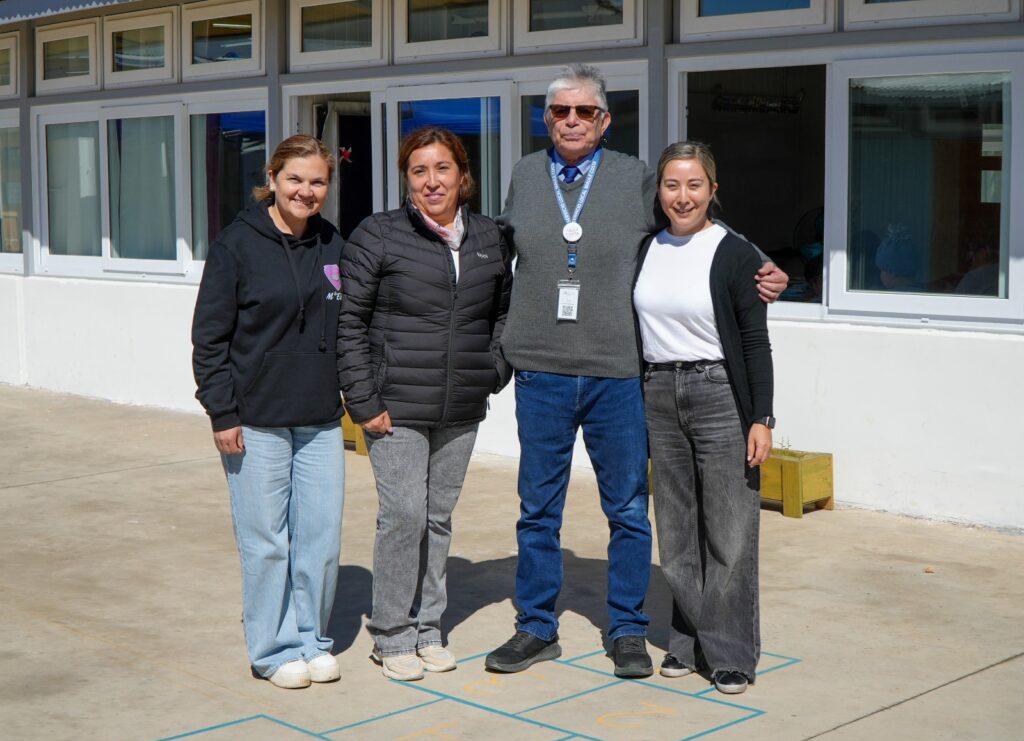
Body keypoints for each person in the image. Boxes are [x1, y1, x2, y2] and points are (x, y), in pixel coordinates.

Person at [485, 64, 788, 678]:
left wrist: (760, 261)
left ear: (605, 121)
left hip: (618, 374)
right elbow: (499, 253)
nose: (572, 121)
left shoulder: (634, 177)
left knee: (626, 509)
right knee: (537, 510)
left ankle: (626, 627)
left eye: (585, 111)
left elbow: (693, 219)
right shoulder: (524, 174)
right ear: (547, 118)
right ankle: (536, 626)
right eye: (561, 111)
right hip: (541, 372)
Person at [338, 126, 512, 682]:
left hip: (461, 405)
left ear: (463, 176)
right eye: (419, 171)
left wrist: (492, 371)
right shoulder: (379, 234)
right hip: (394, 405)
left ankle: (428, 627)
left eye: (442, 169)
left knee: (438, 517)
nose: (432, 181)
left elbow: (503, 312)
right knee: (403, 516)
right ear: (406, 179)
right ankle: (391, 633)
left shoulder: (489, 236)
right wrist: (363, 399)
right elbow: (350, 322)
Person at [192, 135, 346, 689]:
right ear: (273, 179)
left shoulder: (333, 243)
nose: (306, 191)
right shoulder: (236, 245)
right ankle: (273, 649)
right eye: (295, 179)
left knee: (321, 539)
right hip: (255, 419)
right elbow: (209, 338)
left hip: (320, 417)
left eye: (318, 181)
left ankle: (312, 639)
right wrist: (222, 412)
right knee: (267, 541)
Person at [634, 141, 773, 695]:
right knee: (676, 531)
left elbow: (755, 342)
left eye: (694, 184)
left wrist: (761, 417)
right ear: (659, 191)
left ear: (713, 190)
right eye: (672, 184)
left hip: (719, 395)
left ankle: (731, 653)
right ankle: (689, 640)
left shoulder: (734, 253)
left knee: (730, 531)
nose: (683, 196)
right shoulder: (646, 248)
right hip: (658, 393)